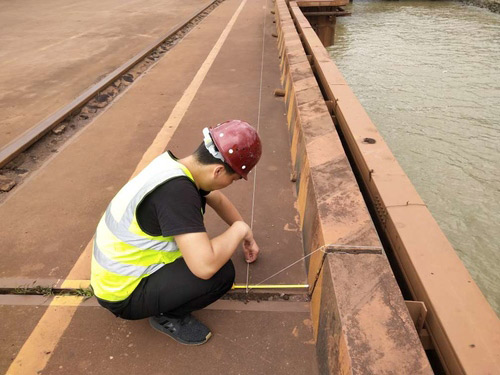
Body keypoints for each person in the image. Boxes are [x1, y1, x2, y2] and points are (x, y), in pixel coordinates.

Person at [90, 120, 262, 345]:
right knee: (221, 273)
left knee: (206, 251)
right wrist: (239, 229)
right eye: (233, 178)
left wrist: (247, 234)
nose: (230, 183)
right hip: (123, 293)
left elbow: (216, 198)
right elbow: (204, 266)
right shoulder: (177, 194)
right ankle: (167, 317)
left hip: (113, 277)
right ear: (218, 170)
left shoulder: (175, 167)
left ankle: (162, 300)